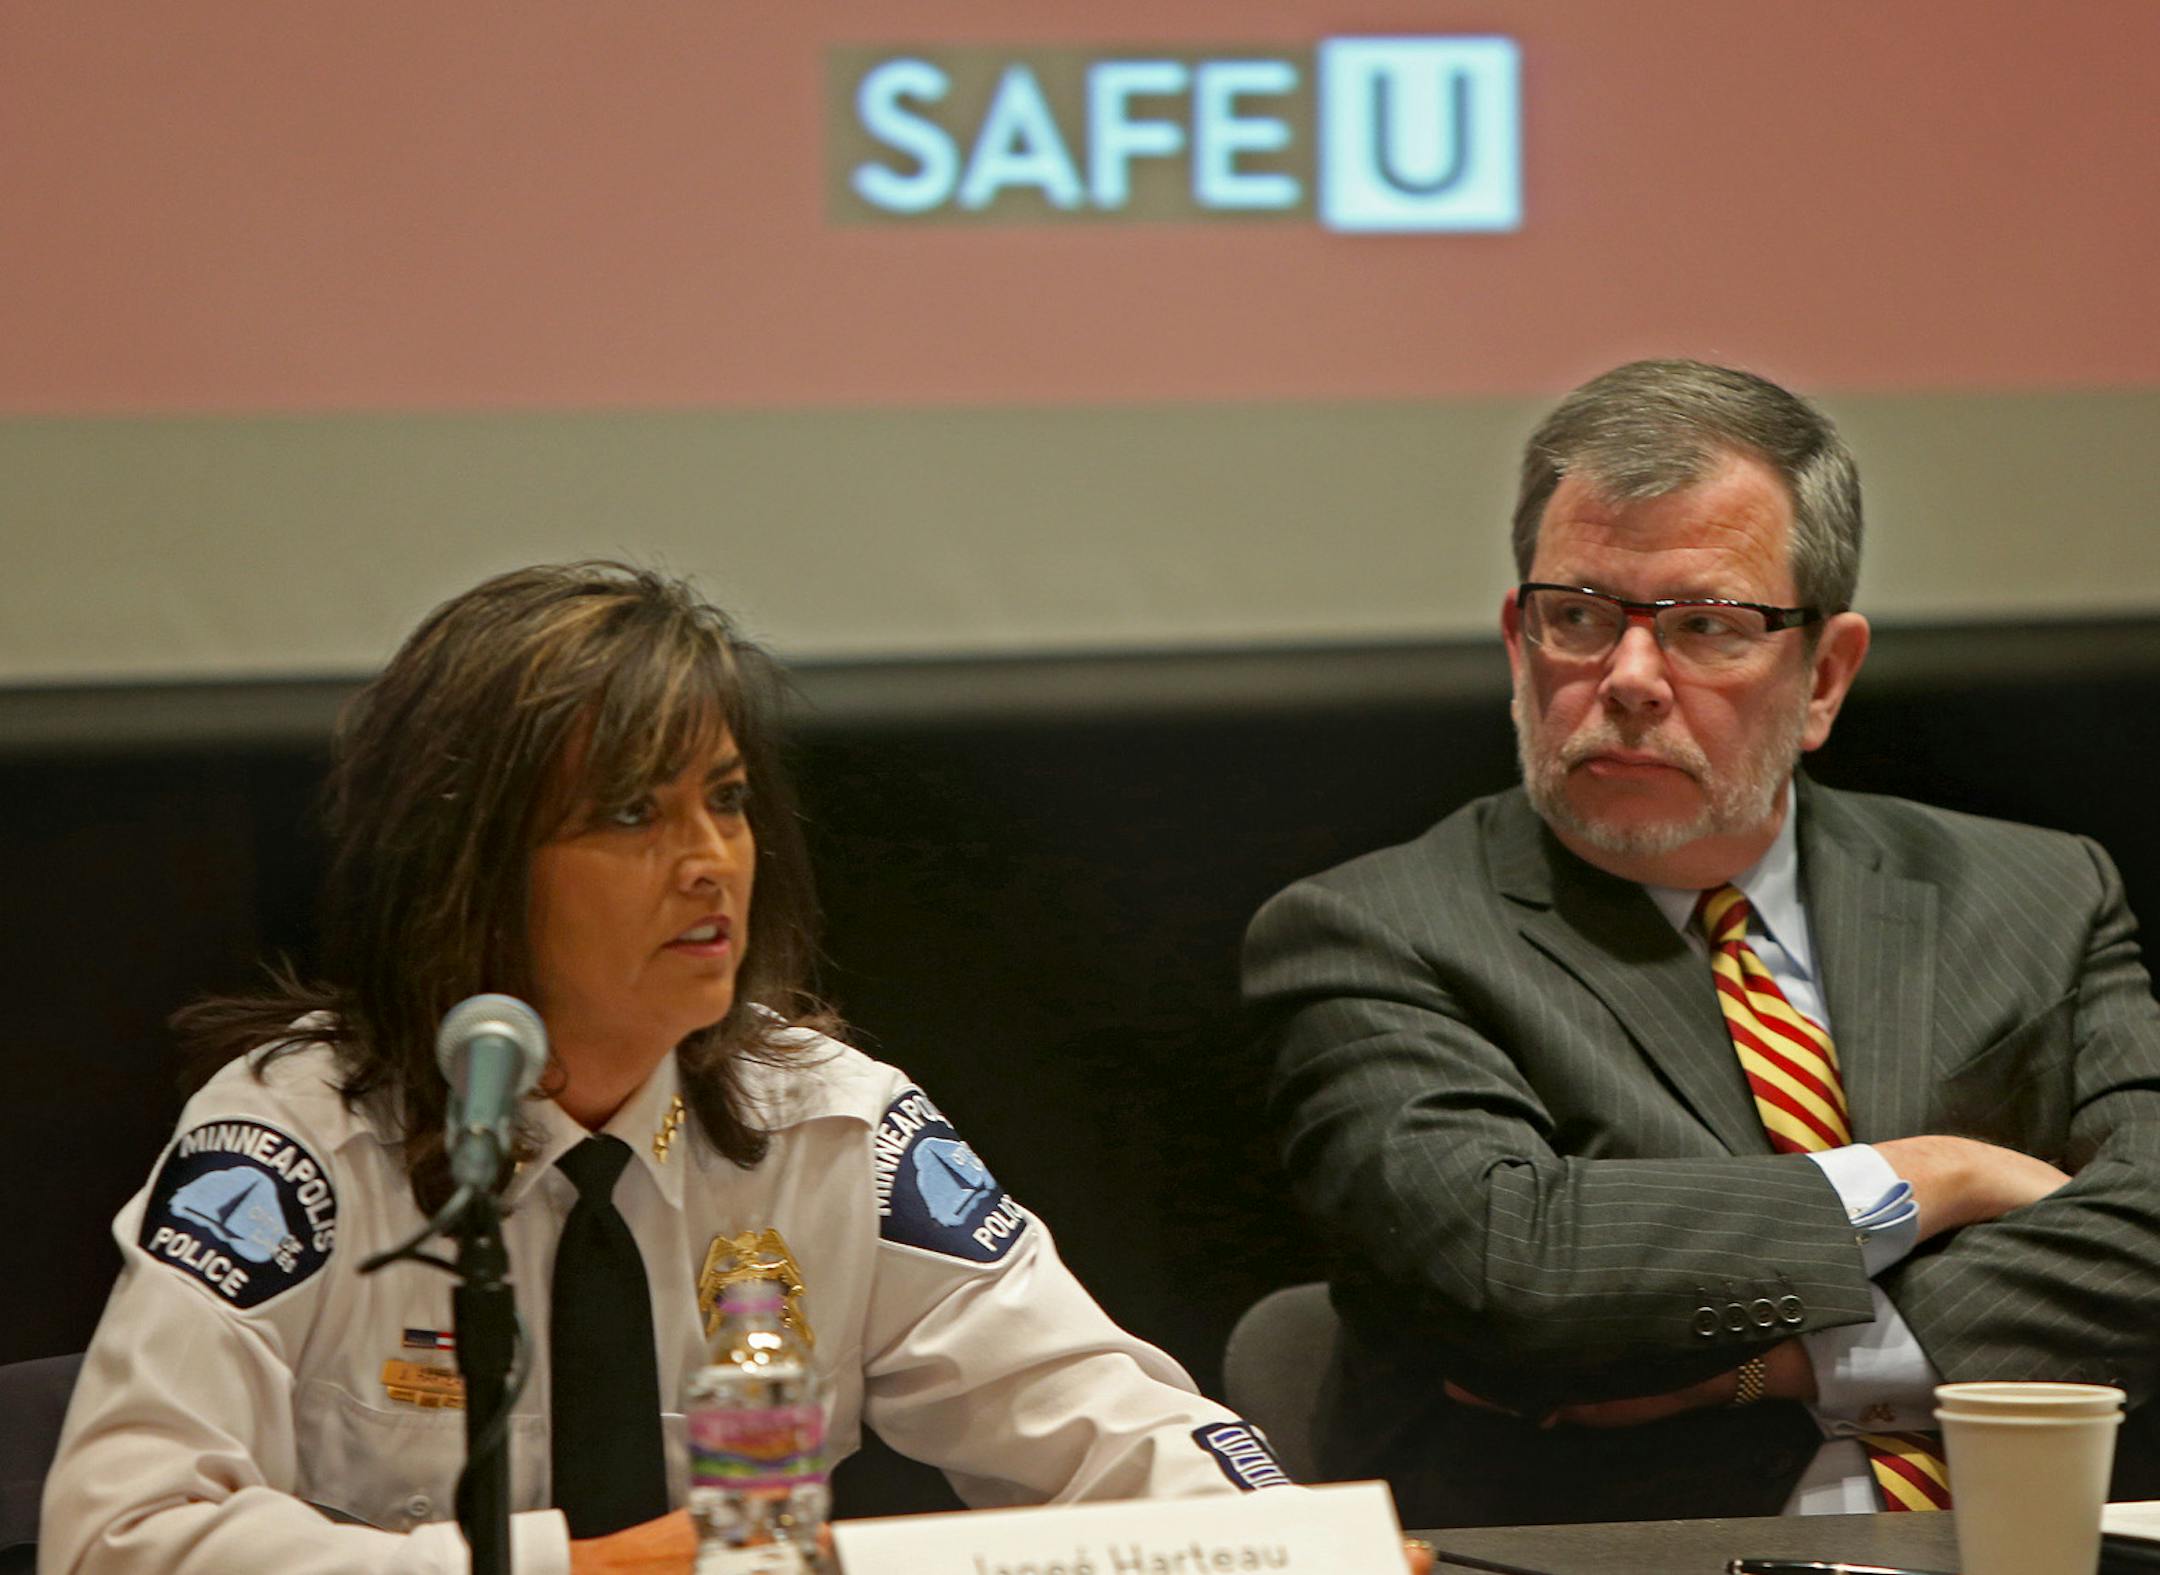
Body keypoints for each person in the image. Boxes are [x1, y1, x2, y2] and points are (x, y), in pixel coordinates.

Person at [42, 562, 1308, 1575]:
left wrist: (1295, 1548)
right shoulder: (295, 1145)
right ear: (469, 866)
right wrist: (571, 1571)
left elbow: (1096, 1413)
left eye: (730, 800)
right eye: (635, 815)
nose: (712, 861)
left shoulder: (833, 1129)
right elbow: (118, 1534)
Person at [1243, 359, 2160, 1527]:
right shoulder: (1375, 936)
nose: (1627, 678)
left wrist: (1785, 1365)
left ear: (1824, 675)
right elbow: (1514, 1278)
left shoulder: (2034, 895)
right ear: (1518, 644)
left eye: (1706, 627)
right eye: (1577, 617)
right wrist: (1936, 1176)